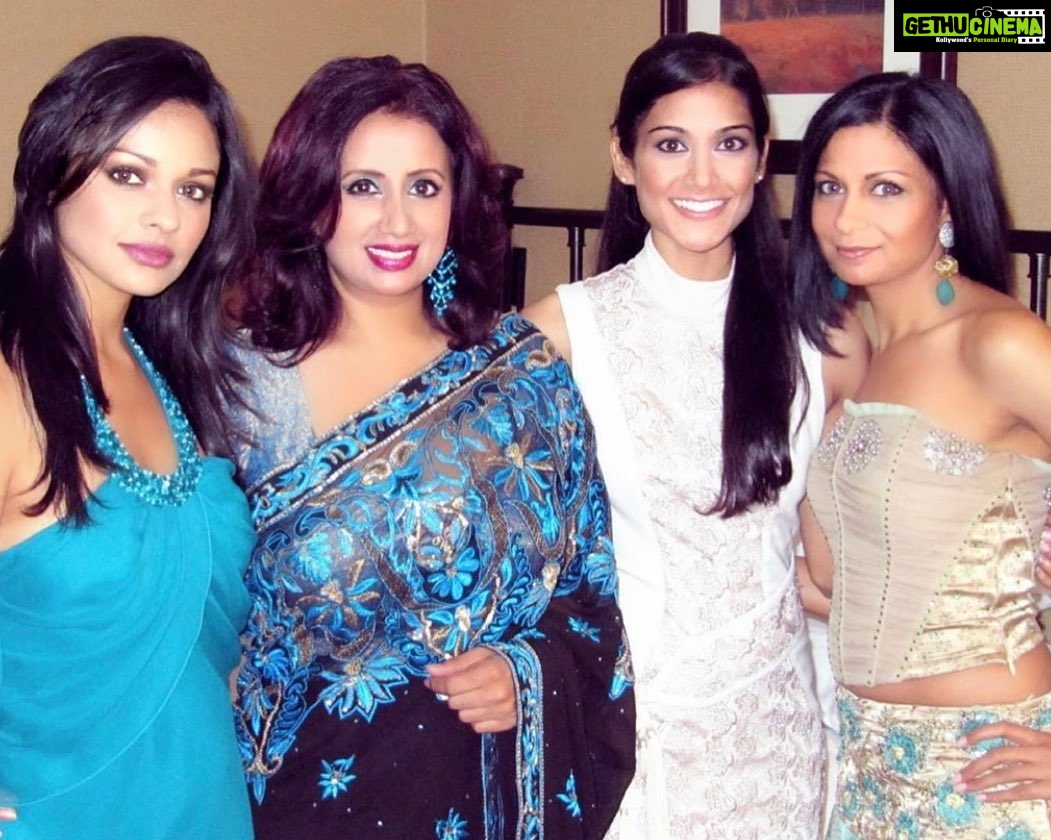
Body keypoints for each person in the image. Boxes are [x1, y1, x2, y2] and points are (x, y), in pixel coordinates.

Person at [227, 55, 635, 839]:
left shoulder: (521, 377)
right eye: (361, 187)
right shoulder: (235, 390)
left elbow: (590, 592)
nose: (397, 222)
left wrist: (526, 673)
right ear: (308, 197)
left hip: (482, 802)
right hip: (299, 803)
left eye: (423, 187)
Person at [524, 32, 868, 838]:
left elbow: (873, 528)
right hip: (637, 742)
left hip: (780, 738)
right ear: (623, 157)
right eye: (670, 145)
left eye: (730, 144)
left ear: (761, 159)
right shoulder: (561, 333)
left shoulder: (825, 337)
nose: (702, 178)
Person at [0, 36, 257, 838]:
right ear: (53, 167)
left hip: (204, 802)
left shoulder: (175, 364)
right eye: (127, 174)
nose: (165, 217)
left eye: (193, 188)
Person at [796, 71, 1051, 838]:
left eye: (885, 189)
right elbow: (836, 581)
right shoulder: (857, 350)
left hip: (986, 770)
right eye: (830, 187)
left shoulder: (997, 342)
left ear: (945, 206)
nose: (846, 218)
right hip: (866, 766)